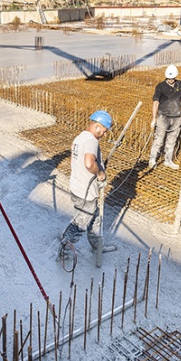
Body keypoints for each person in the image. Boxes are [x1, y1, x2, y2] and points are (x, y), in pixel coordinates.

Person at [60, 111, 117, 258]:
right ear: (97, 126)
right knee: (80, 224)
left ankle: (97, 247)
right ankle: (64, 250)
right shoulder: (91, 141)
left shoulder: (80, 137)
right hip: (85, 192)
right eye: (104, 131)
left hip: (77, 186)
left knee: (95, 219)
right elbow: (88, 163)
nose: (104, 135)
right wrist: (100, 174)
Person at [149, 65, 181, 170]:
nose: (171, 80)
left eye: (172, 78)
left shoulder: (180, 84)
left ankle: (168, 160)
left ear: (175, 76)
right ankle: (152, 160)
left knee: (172, 140)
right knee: (159, 140)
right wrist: (154, 119)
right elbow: (156, 103)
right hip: (163, 117)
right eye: (169, 78)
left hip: (176, 117)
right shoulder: (160, 87)